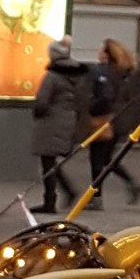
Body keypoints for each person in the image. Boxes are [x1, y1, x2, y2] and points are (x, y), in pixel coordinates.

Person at [30, 37, 92, 213]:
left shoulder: (52, 76)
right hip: (69, 120)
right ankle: (60, 195)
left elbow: (42, 101)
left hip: (51, 122)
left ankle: (51, 201)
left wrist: (37, 112)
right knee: (51, 162)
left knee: (48, 163)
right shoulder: (78, 76)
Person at [86, 39, 139, 205]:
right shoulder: (121, 73)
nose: (98, 53)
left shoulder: (104, 73)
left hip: (105, 120)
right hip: (118, 120)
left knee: (97, 158)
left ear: (107, 55)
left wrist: (92, 108)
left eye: (101, 51)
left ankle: (96, 196)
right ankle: (131, 183)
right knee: (106, 159)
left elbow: (105, 97)